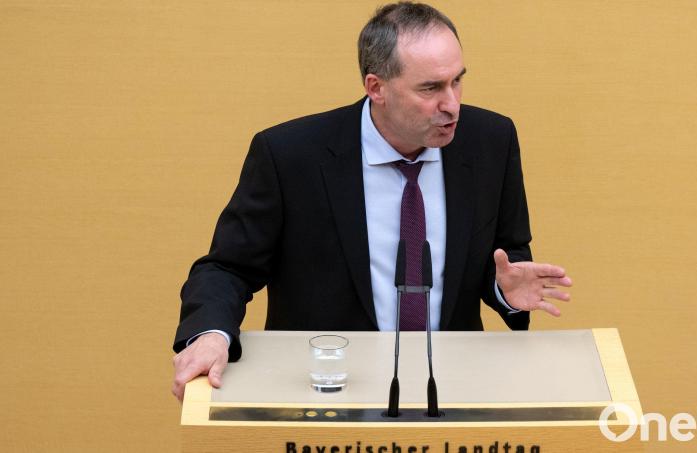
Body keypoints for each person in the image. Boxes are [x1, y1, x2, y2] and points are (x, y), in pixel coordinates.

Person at [171, 1, 572, 401]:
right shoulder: (290, 156)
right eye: (430, 88)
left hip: (449, 387)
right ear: (376, 87)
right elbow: (227, 267)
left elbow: (506, 256)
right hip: (326, 390)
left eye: (457, 81)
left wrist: (503, 289)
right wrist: (210, 335)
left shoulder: (491, 142)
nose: (452, 105)